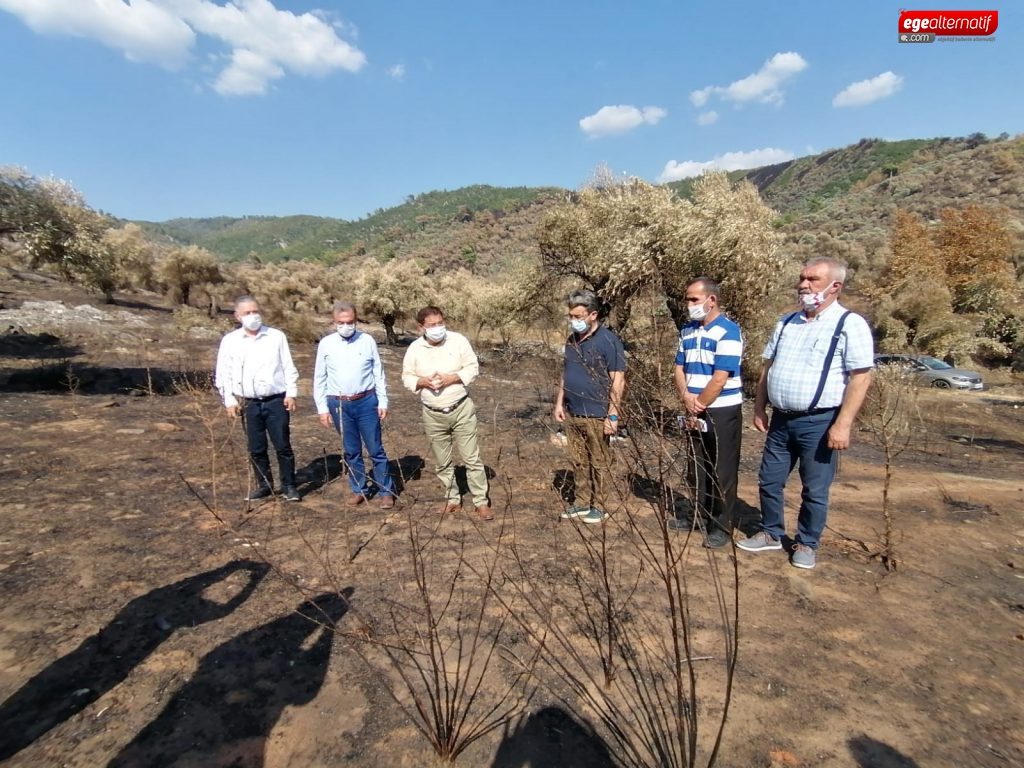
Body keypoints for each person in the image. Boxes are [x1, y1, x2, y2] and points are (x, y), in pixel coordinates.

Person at [737, 257, 874, 569]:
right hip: (782, 420)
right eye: (802, 278)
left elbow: (860, 377)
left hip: (821, 422)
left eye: (812, 279)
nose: (803, 284)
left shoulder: (849, 324)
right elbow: (767, 367)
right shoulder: (786, 323)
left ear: (834, 286)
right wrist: (759, 406)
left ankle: (807, 543)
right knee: (769, 480)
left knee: (814, 488)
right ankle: (771, 533)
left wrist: (843, 424)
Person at [401, 306, 493, 520]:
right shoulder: (414, 349)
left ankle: (481, 501)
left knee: (471, 458)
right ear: (421, 327)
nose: (438, 328)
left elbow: (472, 367)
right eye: (432, 325)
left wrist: (452, 378)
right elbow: (406, 375)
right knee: (442, 461)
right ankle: (452, 499)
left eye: (440, 323)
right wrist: (421, 382)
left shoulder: (458, 341)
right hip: (432, 413)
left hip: (461, 408)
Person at [673, 277, 744, 548]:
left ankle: (721, 526)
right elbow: (679, 368)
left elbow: (720, 377)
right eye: (687, 299)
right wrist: (686, 397)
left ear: (710, 300)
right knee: (697, 465)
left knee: (722, 468)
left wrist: (699, 403)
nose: (689, 304)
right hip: (693, 408)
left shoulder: (728, 331)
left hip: (721, 409)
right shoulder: (688, 331)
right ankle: (699, 515)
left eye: (693, 299)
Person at [214, 296, 301, 502]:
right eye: (247, 313)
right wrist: (229, 400)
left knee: (283, 445)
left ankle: (289, 485)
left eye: (255, 311)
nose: (253, 316)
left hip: (276, 400)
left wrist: (291, 393)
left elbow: (287, 366)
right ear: (237, 316)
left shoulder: (276, 336)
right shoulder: (230, 341)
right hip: (248, 402)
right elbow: (223, 373)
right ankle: (264, 484)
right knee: (256, 447)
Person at [313, 301, 396, 509]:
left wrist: (382, 401)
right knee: (351, 450)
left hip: (367, 401)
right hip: (339, 403)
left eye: (350, 322)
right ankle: (359, 489)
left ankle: (386, 490)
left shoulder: (367, 341)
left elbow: (378, 372)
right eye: (341, 322)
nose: (346, 326)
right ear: (334, 322)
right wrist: (322, 408)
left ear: (356, 320)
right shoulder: (326, 344)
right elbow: (319, 377)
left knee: (376, 448)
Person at [554, 289, 626, 524]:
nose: (574, 321)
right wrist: (559, 402)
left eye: (578, 316)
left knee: (599, 461)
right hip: (573, 411)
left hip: (597, 414)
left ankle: (600, 505)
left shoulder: (608, 341)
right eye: (571, 316)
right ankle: (582, 502)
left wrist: (613, 415)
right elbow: (567, 373)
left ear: (593, 315)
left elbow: (618, 378)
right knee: (578, 460)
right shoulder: (572, 341)